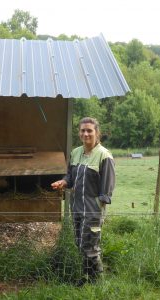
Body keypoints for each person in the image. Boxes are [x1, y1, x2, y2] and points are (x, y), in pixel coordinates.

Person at [51, 117, 115, 282]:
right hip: (76, 208)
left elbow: (107, 189)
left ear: (97, 133)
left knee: (90, 248)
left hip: (92, 211)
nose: (85, 134)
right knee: (80, 245)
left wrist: (97, 211)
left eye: (89, 130)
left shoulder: (104, 156)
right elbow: (71, 177)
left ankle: (97, 281)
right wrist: (63, 182)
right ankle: (87, 277)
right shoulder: (75, 152)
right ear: (79, 133)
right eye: (82, 130)